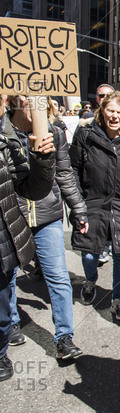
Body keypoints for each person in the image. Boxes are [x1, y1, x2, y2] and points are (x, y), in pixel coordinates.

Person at [4, 95, 87, 359]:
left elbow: (64, 173)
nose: (40, 107)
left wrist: (79, 208)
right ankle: (11, 321)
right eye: (32, 101)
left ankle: (65, 337)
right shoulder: (4, 132)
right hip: (11, 216)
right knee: (8, 276)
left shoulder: (54, 132)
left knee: (58, 276)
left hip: (47, 215)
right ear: (16, 101)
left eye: (44, 102)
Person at [69, 91, 120, 321]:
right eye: (110, 110)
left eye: (119, 112)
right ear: (101, 110)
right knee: (88, 254)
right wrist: (78, 201)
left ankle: (119, 300)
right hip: (91, 204)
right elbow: (73, 168)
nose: (114, 116)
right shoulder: (85, 135)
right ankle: (90, 280)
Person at [0, 94, 56, 381]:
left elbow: (32, 189)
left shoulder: (7, 143)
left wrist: (42, 157)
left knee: (1, 311)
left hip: (3, 241)